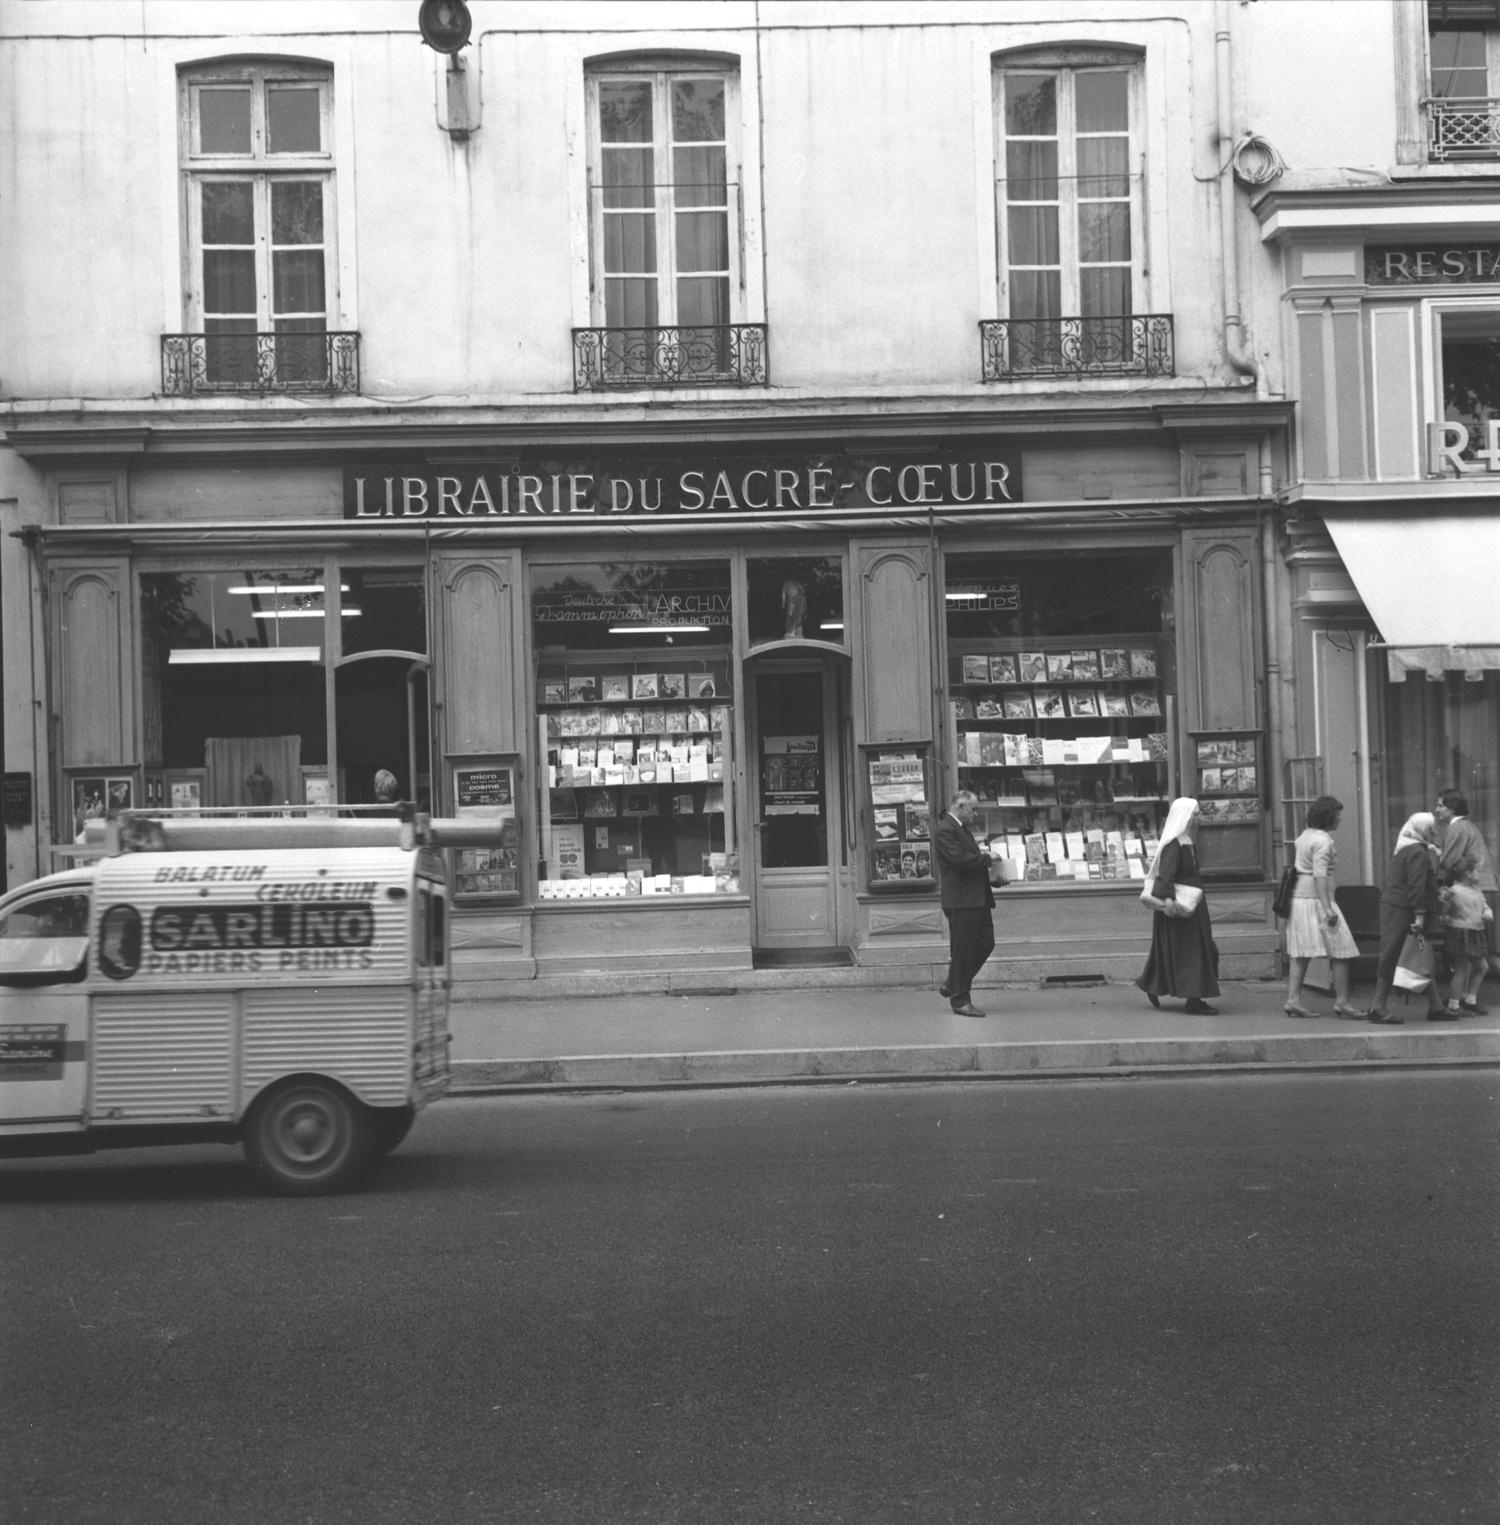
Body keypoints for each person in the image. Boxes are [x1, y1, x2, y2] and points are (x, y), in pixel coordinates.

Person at [1136, 797, 1221, 1015]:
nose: (1197, 818)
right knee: (1192, 951)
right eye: (1194, 814)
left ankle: (1152, 984)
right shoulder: (1173, 844)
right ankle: (1193, 999)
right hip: (1179, 904)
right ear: (1184, 816)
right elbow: (1166, 876)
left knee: (1187, 949)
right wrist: (1168, 904)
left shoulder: (1186, 840)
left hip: (1191, 902)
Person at [1365, 812, 1452, 1025]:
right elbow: (1415, 884)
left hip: (1400, 907)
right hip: (1403, 910)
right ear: (1423, 830)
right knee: (1393, 955)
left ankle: (1436, 1006)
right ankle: (1377, 1007)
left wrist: (1437, 893)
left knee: (1421, 955)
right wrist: (1421, 915)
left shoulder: (1410, 848)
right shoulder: (1417, 851)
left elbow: (1422, 880)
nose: (1434, 832)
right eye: (1432, 829)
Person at [1284, 795, 1363, 1019]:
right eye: (1338, 815)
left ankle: (1293, 1000)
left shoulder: (1304, 836)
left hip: (1301, 898)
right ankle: (1343, 1002)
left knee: (1301, 952)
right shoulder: (1323, 841)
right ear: (1328, 817)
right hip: (1318, 900)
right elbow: (1320, 875)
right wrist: (1328, 908)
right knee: (1342, 948)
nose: (1340, 819)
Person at [934, 789, 1000, 1018]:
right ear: (960, 807)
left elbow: (970, 863)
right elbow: (960, 861)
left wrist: (995, 878)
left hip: (976, 899)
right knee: (963, 950)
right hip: (962, 901)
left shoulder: (961, 829)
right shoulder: (945, 830)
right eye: (972, 809)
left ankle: (953, 983)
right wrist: (988, 859)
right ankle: (960, 1000)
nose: (975, 814)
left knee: (985, 943)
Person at [1433, 789, 1498, 1015]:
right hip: (1481, 890)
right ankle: (1462, 998)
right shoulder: (1467, 827)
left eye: (1440, 805)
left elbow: (1448, 861)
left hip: (1473, 891)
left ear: (1453, 808)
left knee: (1478, 954)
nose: (1436, 809)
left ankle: (1458, 998)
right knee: (1477, 954)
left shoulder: (1458, 827)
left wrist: (1438, 879)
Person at [1441, 861, 1495, 1016]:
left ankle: (1470, 1001)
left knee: (1482, 967)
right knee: (1461, 970)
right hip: (1461, 933)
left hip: (1475, 932)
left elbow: (1484, 906)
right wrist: (1444, 910)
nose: (1479, 874)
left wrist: (1487, 912)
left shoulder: (1476, 890)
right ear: (1468, 874)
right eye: (1477, 871)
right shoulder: (1454, 891)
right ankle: (1453, 1006)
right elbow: (1444, 911)